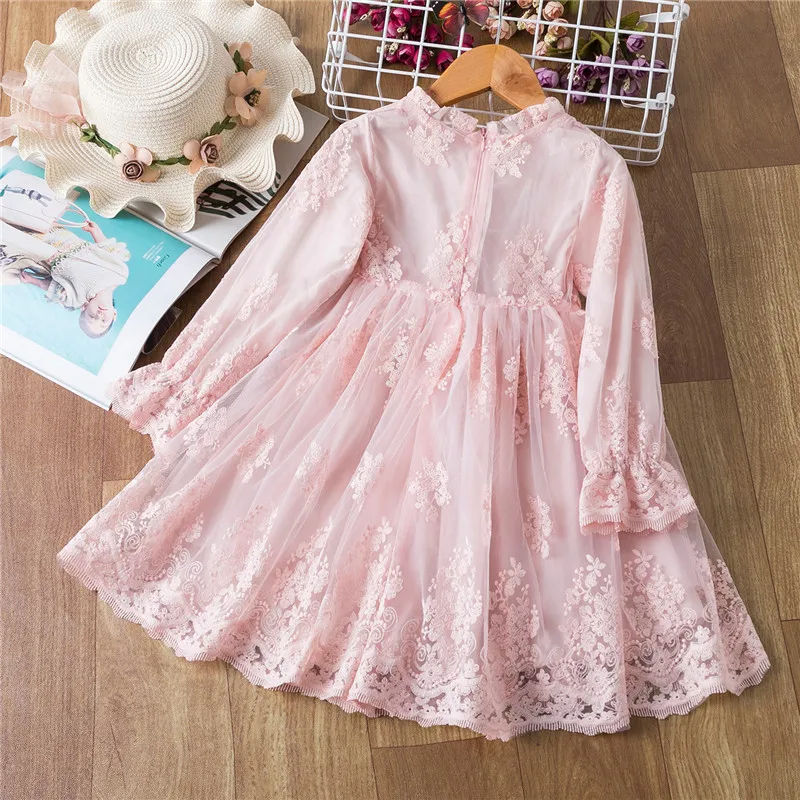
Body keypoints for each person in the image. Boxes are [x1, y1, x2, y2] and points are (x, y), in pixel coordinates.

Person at [1, 218, 129, 338]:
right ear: (114, 314)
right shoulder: (120, 274)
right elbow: (109, 250)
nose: (99, 315)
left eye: (92, 316)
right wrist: (96, 232)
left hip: (45, 250)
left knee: (17, 235)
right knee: (29, 220)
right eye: (104, 321)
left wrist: (34, 281)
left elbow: (52, 288)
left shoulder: (77, 298)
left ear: (84, 308)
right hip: (63, 237)